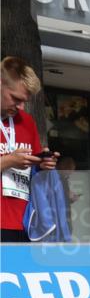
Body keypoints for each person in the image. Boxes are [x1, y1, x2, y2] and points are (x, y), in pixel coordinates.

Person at [1, 56, 58, 242]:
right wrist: (9, 161)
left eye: (24, 101)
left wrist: (43, 164)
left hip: (25, 222)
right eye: (16, 99)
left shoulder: (26, 121)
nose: (20, 107)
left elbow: (34, 172)